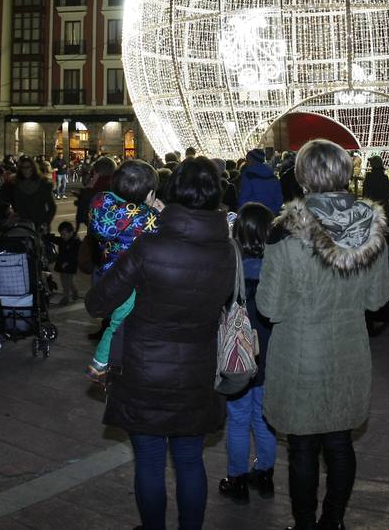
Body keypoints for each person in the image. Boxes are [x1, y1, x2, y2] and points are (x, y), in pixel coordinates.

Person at [84, 157, 235, 530]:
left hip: (143, 370)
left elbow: (96, 303)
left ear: (169, 193)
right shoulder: (227, 250)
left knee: (150, 462)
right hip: (198, 369)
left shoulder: (148, 247)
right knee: (189, 460)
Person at [258, 138, 389, 530]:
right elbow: (377, 300)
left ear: (301, 177)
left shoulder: (286, 237)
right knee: (339, 443)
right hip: (349, 351)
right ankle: (333, 522)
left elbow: (270, 308)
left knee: (301, 448)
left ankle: (304, 525)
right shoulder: (371, 230)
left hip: (299, 358)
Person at [218, 202, 277, 504]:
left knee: (238, 419)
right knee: (265, 419)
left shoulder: (230, 266)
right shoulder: (278, 267)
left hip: (238, 356)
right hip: (270, 355)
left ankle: (237, 479)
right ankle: (265, 474)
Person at [85, 159, 162, 382]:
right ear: (149, 194)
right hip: (131, 279)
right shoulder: (145, 216)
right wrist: (160, 211)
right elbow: (167, 232)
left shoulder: (101, 203)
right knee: (119, 323)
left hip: (109, 272)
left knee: (115, 319)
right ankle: (98, 365)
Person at [8, 156, 56, 233]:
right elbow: (13, 202)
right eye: (23, 168)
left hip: (39, 224)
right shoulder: (17, 184)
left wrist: (46, 222)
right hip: (22, 224)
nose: (25, 170)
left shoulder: (43, 183)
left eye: (28, 167)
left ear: (33, 168)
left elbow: (52, 206)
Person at [237, 148, 285, 214]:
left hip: (252, 215)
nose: (246, 162)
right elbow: (279, 199)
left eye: (248, 159)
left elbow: (243, 197)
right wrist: (271, 212)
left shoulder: (248, 175)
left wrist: (241, 214)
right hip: (270, 215)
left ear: (253, 159)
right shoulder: (272, 176)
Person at [52, 221, 81, 305]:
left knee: (66, 282)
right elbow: (55, 239)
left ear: (71, 233)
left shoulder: (76, 242)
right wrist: (45, 235)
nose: (62, 236)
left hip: (70, 265)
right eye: (61, 234)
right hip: (62, 264)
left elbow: (74, 255)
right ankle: (75, 291)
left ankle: (66, 298)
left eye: (64, 234)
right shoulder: (62, 240)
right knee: (66, 281)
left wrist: (67, 262)